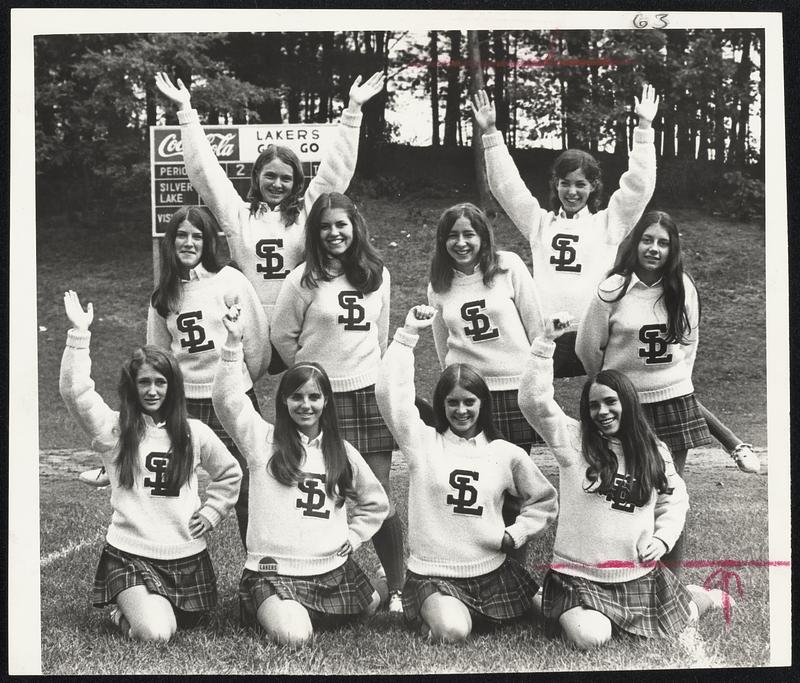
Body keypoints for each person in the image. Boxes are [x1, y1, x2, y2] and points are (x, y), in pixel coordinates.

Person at [518, 313, 733, 650]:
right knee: (590, 636)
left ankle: (701, 596)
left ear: (627, 404)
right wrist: (545, 343)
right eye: (593, 405)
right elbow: (533, 402)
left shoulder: (653, 450)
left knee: (684, 616)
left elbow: (674, 499)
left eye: (610, 402)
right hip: (579, 577)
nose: (602, 411)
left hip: (636, 575)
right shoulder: (573, 441)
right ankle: (553, 602)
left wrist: (662, 540)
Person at [575, 211, 760, 579]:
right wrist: (611, 387)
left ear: (672, 248)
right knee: (623, 490)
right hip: (626, 405)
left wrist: (676, 381)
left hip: (671, 401)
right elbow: (587, 347)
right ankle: (625, 573)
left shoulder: (682, 286)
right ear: (635, 243)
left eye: (663, 242)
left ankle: (671, 581)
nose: (654, 249)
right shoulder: (612, 287)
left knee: (667, 491)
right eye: (647, 240)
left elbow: (689, 343)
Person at [59, 290, 242, 642]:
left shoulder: (194, 432)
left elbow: (230, 473)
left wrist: (214, 511)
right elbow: (75, 392)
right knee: (157, 633)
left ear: (173, 387)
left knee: (189, 623)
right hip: (131, 553)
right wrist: (79, 335)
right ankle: (120, 608)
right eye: (144, 382)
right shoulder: (114, 430)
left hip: (186, 555)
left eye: (161, 382)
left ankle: (143, 605)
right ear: (132, 386)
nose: (153, 390)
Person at [375, 304, 559, 643]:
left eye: (469, 402)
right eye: (452, 402)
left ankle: (692, 597)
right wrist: (407, 336)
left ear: (482, 404)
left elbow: (544, 500)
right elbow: (390, 396)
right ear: (442, 405)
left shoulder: (504, 453)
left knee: (556, 614)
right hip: (434, 573)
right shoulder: (422, 443)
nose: (461, 410)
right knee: (453, 631)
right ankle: (430, 608)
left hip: (492, 571)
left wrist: (516, 533)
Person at [212, 303, 389, 648]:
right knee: (295, 636)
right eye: (296, 397)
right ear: (284, 402)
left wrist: (352, 540)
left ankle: (381, 583)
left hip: (329, 569)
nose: (305, 405)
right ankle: (276, 607)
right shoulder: (261, 441)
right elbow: (227, 400)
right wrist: (233, 344)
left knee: (369, 606)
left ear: (326, 403)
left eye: (314, 397)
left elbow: (375, 503)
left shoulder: (342, 453)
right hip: (274, 572)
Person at [154, 70, 384, 323]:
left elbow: (336, 170)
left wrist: (353, 110)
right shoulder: (238, 216)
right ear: (257, 177)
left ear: (296, 182)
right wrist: (185, 110)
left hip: (299, 321)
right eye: (270, 176)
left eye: (286, 178)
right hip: (250, 324)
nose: (277, 184)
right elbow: (204, 173)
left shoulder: (306, 215)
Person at [270, 192, 406, 613]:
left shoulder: (376, 274)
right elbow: (282, 335)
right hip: (322, 400)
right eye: (325, 226)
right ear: (315, 233)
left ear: (355, 226)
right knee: (318, 489)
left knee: (378, 492)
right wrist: (314, 380)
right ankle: (310, 575)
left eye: (341, 225)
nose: (334, 233)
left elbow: (379, 334)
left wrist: (368, 373)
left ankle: (398, 586)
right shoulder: (302, 279)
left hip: (368, 394)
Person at [470, 84, 659, 378]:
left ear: (593, 187)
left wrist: (644, 128)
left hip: (595, 333)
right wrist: (491, 133)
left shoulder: (608, 224)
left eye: (580, 184)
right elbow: (507, 188)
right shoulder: (540, 223)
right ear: (556, 184)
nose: (572, 192)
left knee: (609, 401)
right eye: (565, 183)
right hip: (548, 332)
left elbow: (639, 187)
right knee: (529, 398)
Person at [143, 206, 268, 545]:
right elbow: (158, 358)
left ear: (209, 241)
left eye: (197, 236)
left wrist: (235, 382)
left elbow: (256, 345)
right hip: (185, 403)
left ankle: (257, 567)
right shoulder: (163, 295)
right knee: (174, 482)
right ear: (171, 242)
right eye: (181, 235)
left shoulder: (231, 280)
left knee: (247, 480)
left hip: (232, 398)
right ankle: (172, 559)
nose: (188, 242)